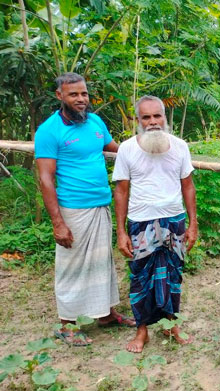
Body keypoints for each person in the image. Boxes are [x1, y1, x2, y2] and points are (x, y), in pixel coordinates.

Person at [35, 72, 135, 347]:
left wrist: (145, 148)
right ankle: (67, 325)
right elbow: (45, 178)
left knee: (102, 262)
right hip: (73, 210)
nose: (81, 99)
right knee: (72, 266)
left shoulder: (95, 122)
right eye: (73, 94)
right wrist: (58, 222)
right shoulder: (49, 130)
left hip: (100, 204)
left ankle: (105, 314)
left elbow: (116, 149)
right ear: (60, 96)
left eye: (84, 94)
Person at [113, 95, 198, 353]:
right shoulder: (127, 149)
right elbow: (121, 191)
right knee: (140, 278)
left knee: (172, 276)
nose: (152, 122)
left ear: (165, 117)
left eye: (157, 116)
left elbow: (188, 185)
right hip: (140, 223)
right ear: (138, 121)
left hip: (174, 221)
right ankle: (142, 331)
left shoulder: (180, 146)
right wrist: (121, 232)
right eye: (146, 117)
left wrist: (193, 224)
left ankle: (172, 325)